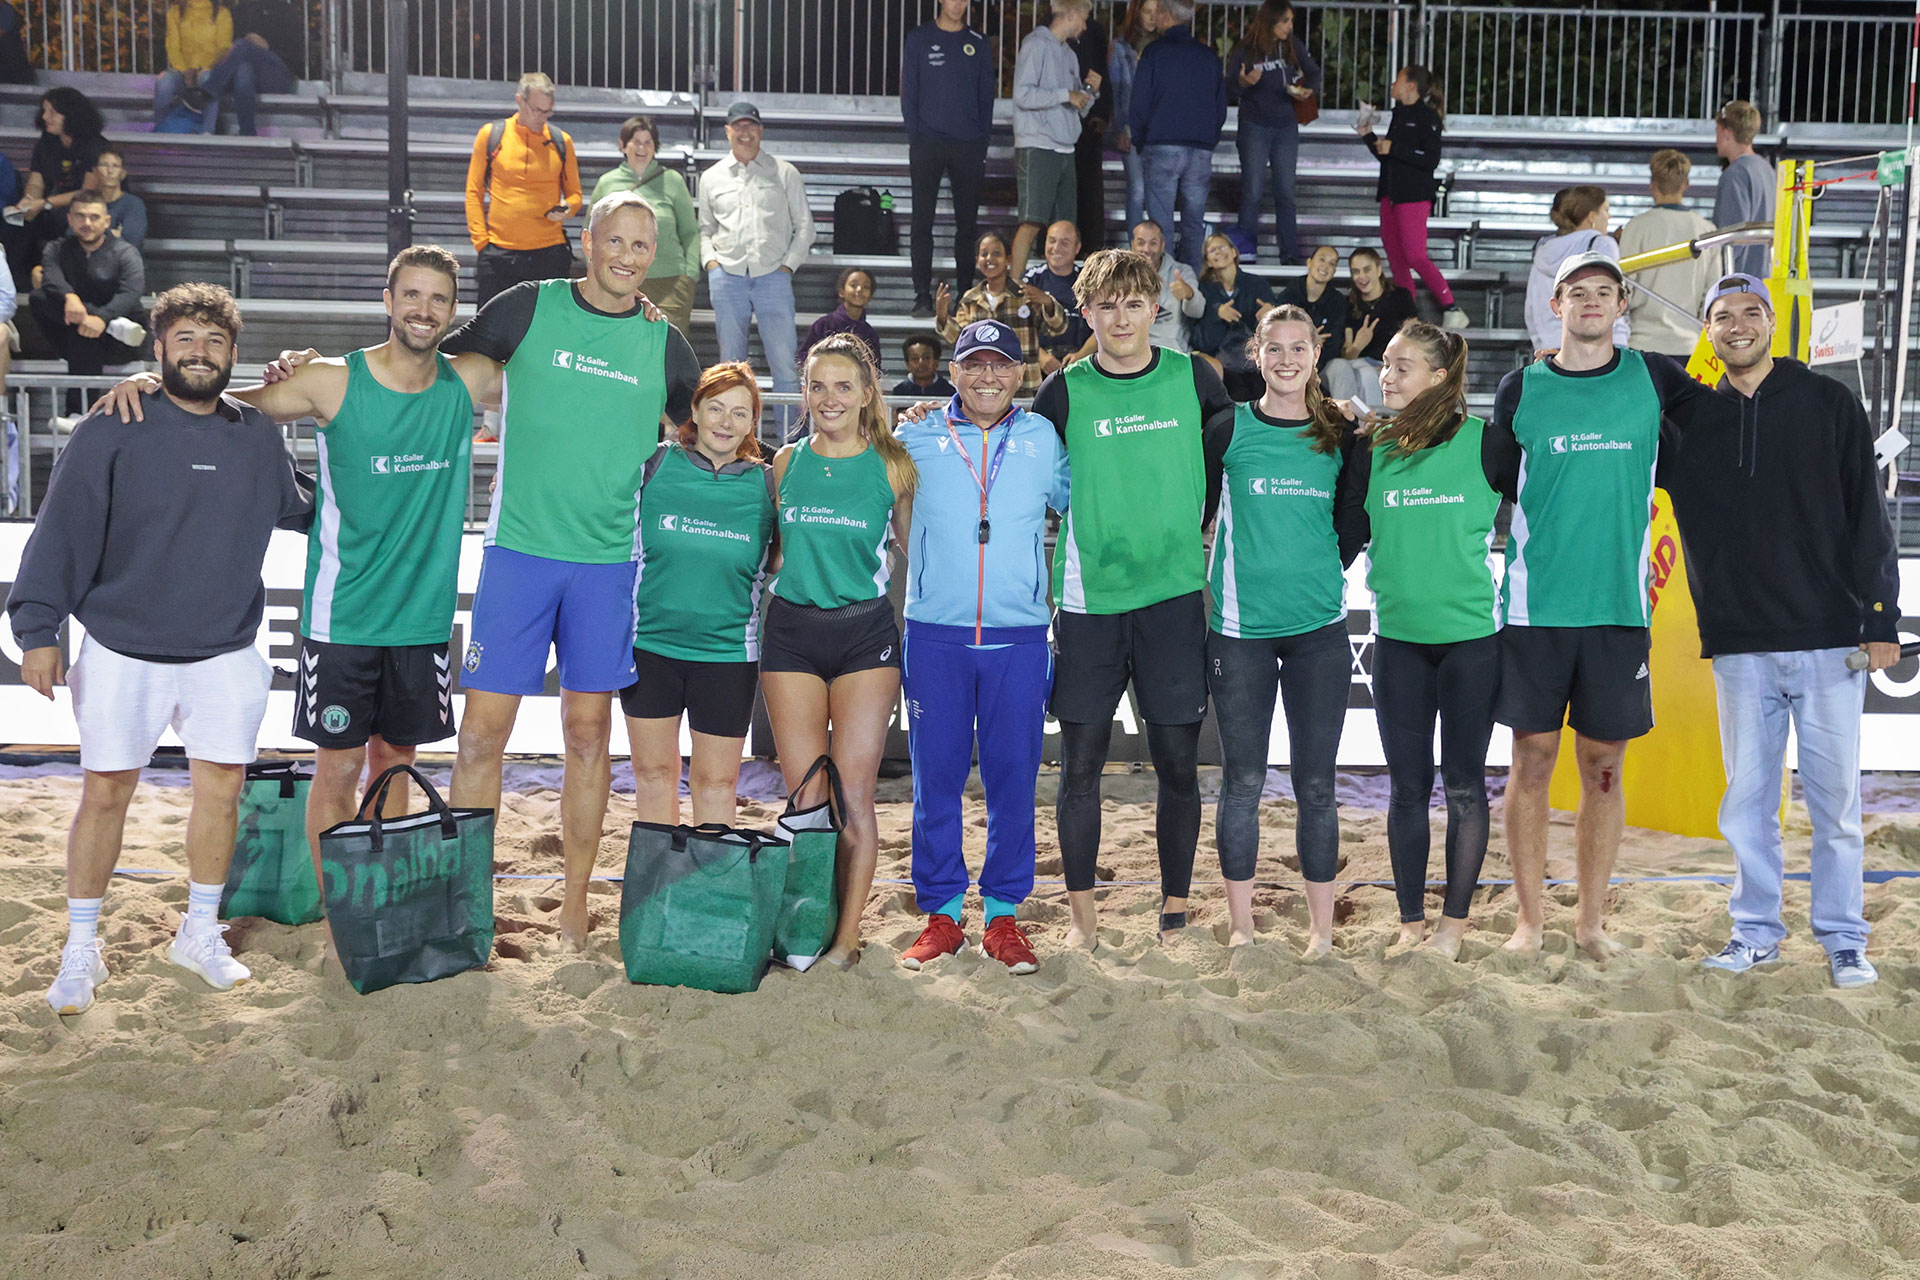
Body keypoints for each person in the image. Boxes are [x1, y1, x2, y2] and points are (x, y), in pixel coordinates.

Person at [93, 247, 498, 946]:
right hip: (342, 618)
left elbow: (562, 365)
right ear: (388, 300)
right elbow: (219, 406)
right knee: (337, 768)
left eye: (438, 298)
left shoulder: (469, 379)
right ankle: (341, 919)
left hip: (423, 620)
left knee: (396, 764)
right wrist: (153, 383)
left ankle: (379, 900)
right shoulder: (331, 381)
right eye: (411, 295)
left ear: (453, 310)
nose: (423, 309)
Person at [7, 283, 312, 1015]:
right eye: (185, 340)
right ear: (159, 348)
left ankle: (198, 934)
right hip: (122, 648)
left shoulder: (254, 434)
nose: (199, 352)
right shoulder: (115, 425)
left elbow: (305, 507)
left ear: (233, 354)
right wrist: (38, 630)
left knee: (222, 791)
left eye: (214, 341)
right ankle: (82, 947)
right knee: (105, 793)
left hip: (225, 650)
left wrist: (343, 425)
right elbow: (62, 531)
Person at [439, 192, 700, 948]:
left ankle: (576, 903)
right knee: (480, 738)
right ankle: (467, 902)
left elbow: (717, 428)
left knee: (587, 738)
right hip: (518, 554)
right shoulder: (528, 307)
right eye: (615, 240)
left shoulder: (665, 344)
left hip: (607, 567)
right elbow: (427, 364)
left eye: (641, 246)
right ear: (588, 241)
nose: (627, 256)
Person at [1660, 274, 1900, 989]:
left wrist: (1880, 615)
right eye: (1722, 315)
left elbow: (1868, 514)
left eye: (1751, 312)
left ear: (1772, 322)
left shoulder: (1829, 402)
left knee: (1836, 810)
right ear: (1707, 331)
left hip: (1830, 640)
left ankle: (1844, 940)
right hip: (1739, 644)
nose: (1737, 324)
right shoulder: (1688, 421)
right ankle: (1755, 933)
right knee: (1747, 807)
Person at [1486, 250, 1709, 960]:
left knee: (1602, 768)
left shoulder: (1654, 378)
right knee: (1532, 760)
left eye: (1603, 291)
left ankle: (1589, 923)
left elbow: (1719, 433)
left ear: (1622, 305)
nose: (1590, 301)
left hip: (1618, 609)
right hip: (1535, 609)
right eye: (1576, 291)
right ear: (1556, 306)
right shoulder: (1521, 388)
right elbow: (1501, 480)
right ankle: (1529, 923)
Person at [1033, 248, 1236, 949]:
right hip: (1090, 601)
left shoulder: (1194, 378)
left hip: (1173, 597)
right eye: (1105, 306)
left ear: (1156, 308)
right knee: (1081, 768)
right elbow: (1020, 462)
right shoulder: (1063, 391)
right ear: (1085, 313)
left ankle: (1174, 908)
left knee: (1178, 765)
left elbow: (1236, 450)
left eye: (1132, 304)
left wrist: (1198, 516)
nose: (1120, 318)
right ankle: (1083, 921)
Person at [895, 319, 1069, 973]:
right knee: (934, 784)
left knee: (1013, 784)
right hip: (934, 635)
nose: (988, 376)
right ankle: (943, 915)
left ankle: (1001, 917)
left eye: (1001, 364)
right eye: (975, 364)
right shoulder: (916, 435)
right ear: (954, 373)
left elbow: (1085, 505)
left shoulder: (1042, 438)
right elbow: (875, 496)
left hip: (1018, 637)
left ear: (1020, 373)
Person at [1204, 305, 1361, 953]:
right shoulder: (1227, 430)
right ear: (1257, 355)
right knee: (1243, 781)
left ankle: (1321, 932)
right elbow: (1196, 513)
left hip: (1319, 630)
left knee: (1316, 786)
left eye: (1300, 348)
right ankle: (1242, 927)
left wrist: (1314, 571)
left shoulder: (1341, 433)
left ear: (1316, 356)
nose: (1288, 359)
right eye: (1276, 348)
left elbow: (1353, 525)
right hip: (1240, 630)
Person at [1344, 321, 1503, 959]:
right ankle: (1410, 921)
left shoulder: (1488, 443)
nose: (1385, 376)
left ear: (1439, 377)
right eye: (1384, 364)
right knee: (1406, 789)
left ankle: (1453, 928)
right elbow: (1343, 535)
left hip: (1471, 644)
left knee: (1464, 787)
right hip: (1399, 644)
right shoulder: (1373, 447)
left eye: (1400, 366)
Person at [762, 334, 917, 968]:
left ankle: (847, 940)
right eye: (818, 386)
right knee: (806, 799)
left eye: (843, 386)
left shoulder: (893, 467)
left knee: (853, 796)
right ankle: (806, 930)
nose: (830, 398)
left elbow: (918, 553)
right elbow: (774, 553)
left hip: (864, 636)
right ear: (805, 393)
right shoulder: (784, 463)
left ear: (866, 394)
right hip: (791, 635)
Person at [627, 362, 776, 829]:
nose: (725, 422)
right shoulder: (654, 465)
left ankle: (709, 875)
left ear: (752, 424)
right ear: (694, 410)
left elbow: (785, 555)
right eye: (715, 408)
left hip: (727, 656)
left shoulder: (768, 484)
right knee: (654, 775)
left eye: (739, 413)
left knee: (716, 783)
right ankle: (659, 875)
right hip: (651, 648)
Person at [701, 100, 815, 431]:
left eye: (750, 126)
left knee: (785, 366)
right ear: (727, 131)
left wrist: (787, 267)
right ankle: (732, 440)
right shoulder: (711, 177)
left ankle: (789, 442)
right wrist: (711, 265)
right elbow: (705, 229)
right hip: (727, 275)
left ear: (761, 131)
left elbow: (805, 227)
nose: (745, 132)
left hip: (773, 276)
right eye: (738, 126)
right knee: (730, 368)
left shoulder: (785, 172)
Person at [1357, 65, 1469, 330]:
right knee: (1396, 259)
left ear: (1410, 86)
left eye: (1398, 80)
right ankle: (1409, 317)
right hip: (1390, 195)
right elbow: (1390, 157)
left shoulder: (1426, 117)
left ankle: (1451, 306)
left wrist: (1394, 148)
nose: (1392, 85)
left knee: (1415, 255)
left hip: (1413, 196)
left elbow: (1430, 159)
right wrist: (1369, 137)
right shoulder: (1399, 115)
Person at [902, 0, 994, 317]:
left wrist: (981, 141)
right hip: (927, 143)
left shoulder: (978, 43)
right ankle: (921, 295)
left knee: (967, 225)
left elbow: (986, 96)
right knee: (921, 222)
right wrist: (916, 136)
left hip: (968, 145)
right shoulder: (918, 38)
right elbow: (909, 92)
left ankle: (965, 294)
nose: (958, 4)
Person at [465, 72, 581, 306]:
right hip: (499, 252)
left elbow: (575, 195)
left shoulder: (561, 141)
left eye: (548, 111)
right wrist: (481, 242)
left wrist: (567, 209)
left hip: (549, 252)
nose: (542, 117)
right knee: (493, 324)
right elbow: (473, 192)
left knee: (549, 323)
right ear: (519, 100)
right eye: (537, 110)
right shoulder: (491, 135)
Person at [1130, 0, 1225, 270]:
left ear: (1165, 14)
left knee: (1161, 227)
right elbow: (1220, 107)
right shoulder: (1208, 56)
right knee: (1194, 223)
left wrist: (1140, 139)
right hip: (1200, 148)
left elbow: (1139, 104)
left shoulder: (1154, 53)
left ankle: (1164, 284)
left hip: (1161, 144)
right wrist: (1209, 139)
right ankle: (1191, 282)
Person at [1225, 0, 1321, 264]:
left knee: (1285, 193)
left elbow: (1314, 73)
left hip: (1286, 127)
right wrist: (1244, 82)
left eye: (1291, 21)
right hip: (1254, 126)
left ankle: (1289, 255)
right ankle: (1246, 252)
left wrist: (1307, 90)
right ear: (1270, 21)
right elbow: (1230, 86)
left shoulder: (1292, 45)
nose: (1289, 27)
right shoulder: (1247, 48)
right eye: (1285, 21)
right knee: (1252, 192)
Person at [1010, 0, 1096, 278]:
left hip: (1065, 147)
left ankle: (1061, 292)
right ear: (1071, 14)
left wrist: (1089, 93)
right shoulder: (1036, 44)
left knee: (1065, 228)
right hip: (1038, 145)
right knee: (1032, 222)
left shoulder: (1069, 54)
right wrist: (1066, 95)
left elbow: (1076, 106)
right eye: (1084, 18)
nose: (1085, 26)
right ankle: (1011, 289)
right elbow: (1022, 94)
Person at [590, 116, 700, 333]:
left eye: (648, 142)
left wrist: (689, 276)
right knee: (622, 343)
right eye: (636, 141)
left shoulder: (673, 181)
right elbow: (592, 233)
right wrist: (598, 276)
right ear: (623, 145)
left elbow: (691, 233)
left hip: (670, 283)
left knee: (667, 345)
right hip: (619, 279)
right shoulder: (607, 183)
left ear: (655, 147)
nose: (642, 148)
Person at [30, 193, 145, 391]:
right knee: (41, 298)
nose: (87, 223)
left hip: (120, 340)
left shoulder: (126, 252)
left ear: (106, 221)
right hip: (75, 330)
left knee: (83, 334)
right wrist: (70, 297)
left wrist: (102, 318)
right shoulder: (56, 249)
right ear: (70, 219)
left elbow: (132, 291)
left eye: (94, 217)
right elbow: (51, 278)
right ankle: (82, 410)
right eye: (80, 216)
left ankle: (79, 410)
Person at [1621, 150, 1725, 358]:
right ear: (1686, 184)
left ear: (1652, 184)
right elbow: (1713, 292)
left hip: (1642, 343)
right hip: (1689, 345)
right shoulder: (1707, 231)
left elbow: (1624, 288)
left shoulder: (1636, 227)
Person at [934, 231, 1066, 395]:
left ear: (1008, 259)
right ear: (977, 260)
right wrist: (942, 316)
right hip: (985, 386)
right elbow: (959, 340)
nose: (989, 259)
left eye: (996, 254)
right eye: (984, 254)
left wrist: (1048, 303)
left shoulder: (1025, 295)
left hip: (1024, 387)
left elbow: (1057, 328)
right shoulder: (970, 299)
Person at [1525, 186, 1627, 353]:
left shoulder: (1544, 250)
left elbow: (1531, 307)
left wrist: (1542, 344)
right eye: (1606, 210)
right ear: (1592, 216)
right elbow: (1612, 297)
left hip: (1552, 346)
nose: (1609, 217)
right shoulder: (1603, 244)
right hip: (1603, 347)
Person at [13, 87, 107, 265]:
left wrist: (44, 203)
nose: (44, 117)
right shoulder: (45, 143)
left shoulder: (95, 146)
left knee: (64, 222)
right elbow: (36, 182)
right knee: (15, 225)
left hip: (80, 207)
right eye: (44, 111)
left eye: (52, 112)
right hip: (48, 206)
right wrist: (29, 200)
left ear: (70, 115)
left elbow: (87, 193)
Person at [1323, 245, 1413, 407]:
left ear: (1378, 270)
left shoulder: (1400, 297)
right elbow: (1347, 355)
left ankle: (1369, 419)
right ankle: (1349, 418)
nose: (1361, 276)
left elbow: (1414, 340)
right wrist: (1358, 346)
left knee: (1367, 375)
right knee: (1348, 369)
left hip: (1390, 366)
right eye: (1356, 271)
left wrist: (1390, 366)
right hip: (1358, 364)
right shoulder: (1349, 304)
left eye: (1367, 269)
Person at [201, 0, 300, 136]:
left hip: (278, 77)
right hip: (247, 78)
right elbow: (226, 49)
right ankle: (247, 131)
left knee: (243, 45)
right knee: (243, 69)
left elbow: (296, 55)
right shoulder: (239, 12)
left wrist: (267, 48)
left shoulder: (284, 10)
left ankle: (207, 91)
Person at [1109, 0, 1163, 237]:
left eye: (1156, 12)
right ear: (1137, 13)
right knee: (1138, 189)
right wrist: (1121, 128)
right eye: (1147, 12)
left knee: (1156, 192)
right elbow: (1116, 91)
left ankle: (1155, 247)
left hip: (1159, 130)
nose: (1152, 17)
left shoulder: (1165, 47)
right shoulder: (1121, 47)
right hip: (1132, 127)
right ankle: (1135, 244)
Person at [1189, 231, 1275, 371]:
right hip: (1217, 362)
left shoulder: (1257, 283)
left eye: (1222, 247)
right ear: (1208, 261)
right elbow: (1199, 339)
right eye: (1212, 250)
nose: (1218, 252)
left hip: (1255, 360)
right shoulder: (1203, 289)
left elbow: (1276, 317)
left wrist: (1271, 312)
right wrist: (1216, 314)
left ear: (1234, 252)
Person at [1713, 100, 1775, 278]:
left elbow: (1731, 235)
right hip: (1765, 275)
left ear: (1727, 133)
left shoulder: (1735, 174)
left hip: (1740, 278)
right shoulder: (1767, 170)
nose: (1716, 140)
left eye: (1717, 132)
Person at [1022, 219, 1095, 371]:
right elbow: (1017, 327)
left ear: (1077, 248)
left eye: (1064, 243)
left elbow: (1105, 325)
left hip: (1084, 364)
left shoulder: (1090, 281)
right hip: (1038, 367)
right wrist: (1040, 356)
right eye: (1052, 241)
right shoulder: (1031, 279)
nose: (1056, 248)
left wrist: (1081, 355)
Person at [1067, 11, 1113, 252]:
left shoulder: (1093, 30)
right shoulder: (1050, 32)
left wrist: (1102, 112)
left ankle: (1091, 247)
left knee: (1089, 189)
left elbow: (1101, 72)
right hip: (1062, 120)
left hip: (1088, 121)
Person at [154, 0, 231, 132]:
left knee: (208, 79)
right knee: (164, 82)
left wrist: (202, 68)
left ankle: (208, 132)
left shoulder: (222, 13)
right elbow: (172, 46)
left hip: (209, 69)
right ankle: (161, 130)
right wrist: (185, 71)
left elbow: (223, 47)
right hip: (183, 72)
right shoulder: (175, 12)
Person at [1131, 219, 1202, 352]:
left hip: (1172, 351)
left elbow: (1197, 312)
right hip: (1132, 351)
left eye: (1153, 243)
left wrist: (1189, 294)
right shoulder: (1122, 274)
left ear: (1162, 245)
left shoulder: (1182, 271)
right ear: (1132, 245)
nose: (1146, 249)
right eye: (1141, 243)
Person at [1278, 243, 1349, 373]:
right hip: (1290, 363)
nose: (1325, 266)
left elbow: (1334, 343)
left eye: (1332, 264)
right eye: (1322, 259)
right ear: (1309, 262)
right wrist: (1308, 342)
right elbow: (1280, 337)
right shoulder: (1289, 296)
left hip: (1323, 365)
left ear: (1334, 271)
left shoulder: (1337, 302)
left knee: (1340, 366)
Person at [800, 267, 880, 367]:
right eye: (853, 285)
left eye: (866, 287)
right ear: (841, 291)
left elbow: (875, 369)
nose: (859, 289)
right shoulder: (823, 325)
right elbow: (804, 358)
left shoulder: (870, 334)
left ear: (870, 297)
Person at [91, 148, 146, 250]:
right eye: (104, 165)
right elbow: (72, 235)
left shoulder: (133, 204)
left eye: (115, 166)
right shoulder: (87, 202)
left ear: (123, 173)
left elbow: (132, 242)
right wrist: (112, 234)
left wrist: (92, 233)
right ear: (95, 171)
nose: (110, 171)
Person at [893, 333, 955, 399]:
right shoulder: (899, 391)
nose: (921, 362)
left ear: (936, 362)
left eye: (926, 357)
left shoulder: (949, 391)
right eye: (915, 358)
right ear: (907, 364)